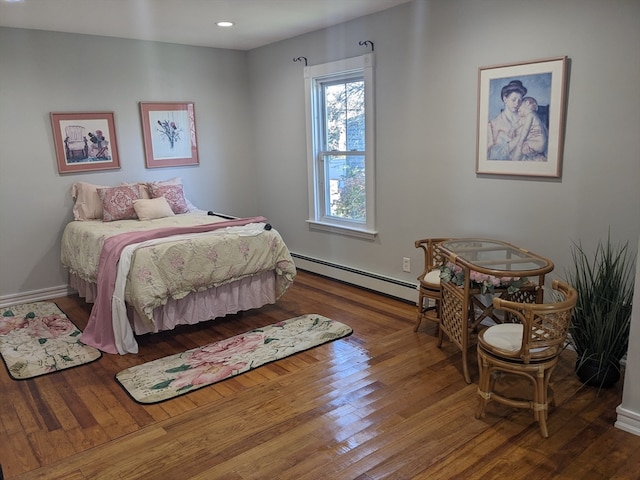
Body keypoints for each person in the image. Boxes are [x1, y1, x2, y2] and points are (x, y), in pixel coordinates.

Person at [487, 79, 527, 160]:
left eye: (520, 100)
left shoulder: (526, 119)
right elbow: (491, 154)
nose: (517, 103)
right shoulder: (494, 123)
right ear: (505, 99)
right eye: (513, 100)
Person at [510, 96, 548, 161]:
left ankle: (514, 161)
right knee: (521, 148)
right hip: (538, 143)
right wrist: (513, 129)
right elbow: (519, 124)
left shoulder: (530, 115)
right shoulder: (529, 116)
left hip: (538, 143)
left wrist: (521, 141)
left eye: (520, 106)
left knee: (519, 146)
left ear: (527, 103)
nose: (518, 109)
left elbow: (526, 130)